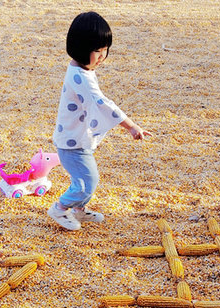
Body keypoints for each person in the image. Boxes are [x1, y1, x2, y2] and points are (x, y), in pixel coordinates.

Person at [48, 11, 150, 231]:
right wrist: (130, 126)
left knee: (87, 179)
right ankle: (59, 208)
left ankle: (79, 210)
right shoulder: (80, 76)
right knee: (87, 182)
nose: (103, 55)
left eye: (105, 50)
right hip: (71, 144)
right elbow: (101, 103)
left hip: (75, 139)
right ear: (80, 47)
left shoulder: (81, 68)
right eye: (97, 50)